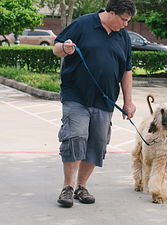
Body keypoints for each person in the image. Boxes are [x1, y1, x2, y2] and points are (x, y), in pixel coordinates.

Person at [53, 0, 137, 207]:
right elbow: (57, 47)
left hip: (105, 98)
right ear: (112, 13)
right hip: (76, 94)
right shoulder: (84, 23)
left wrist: (128, 101)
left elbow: (127, 70)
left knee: (97, 143)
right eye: (125, 20)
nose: (126, 25)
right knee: (76, 136)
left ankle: (81, 187)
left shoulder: (122, 36)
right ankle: (68, 187)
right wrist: (65, 48)